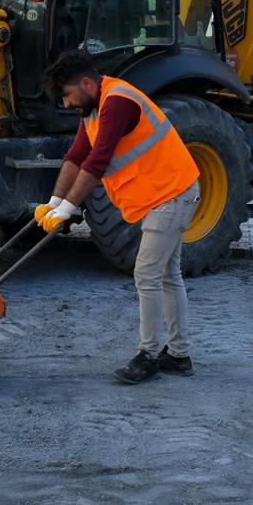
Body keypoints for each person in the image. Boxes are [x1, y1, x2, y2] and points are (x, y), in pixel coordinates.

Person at [36, 50, 202, 384]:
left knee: (147, 274)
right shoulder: (92, 109)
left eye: (67, 95)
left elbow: (97, 163)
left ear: (86, 83)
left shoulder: (118, 102)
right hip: (163, 194)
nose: (66, 104)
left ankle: (149, 355)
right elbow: (75, 156)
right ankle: (179, 355)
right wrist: (53, 203)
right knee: (167, 275)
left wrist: (67, 211)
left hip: (173, 194)